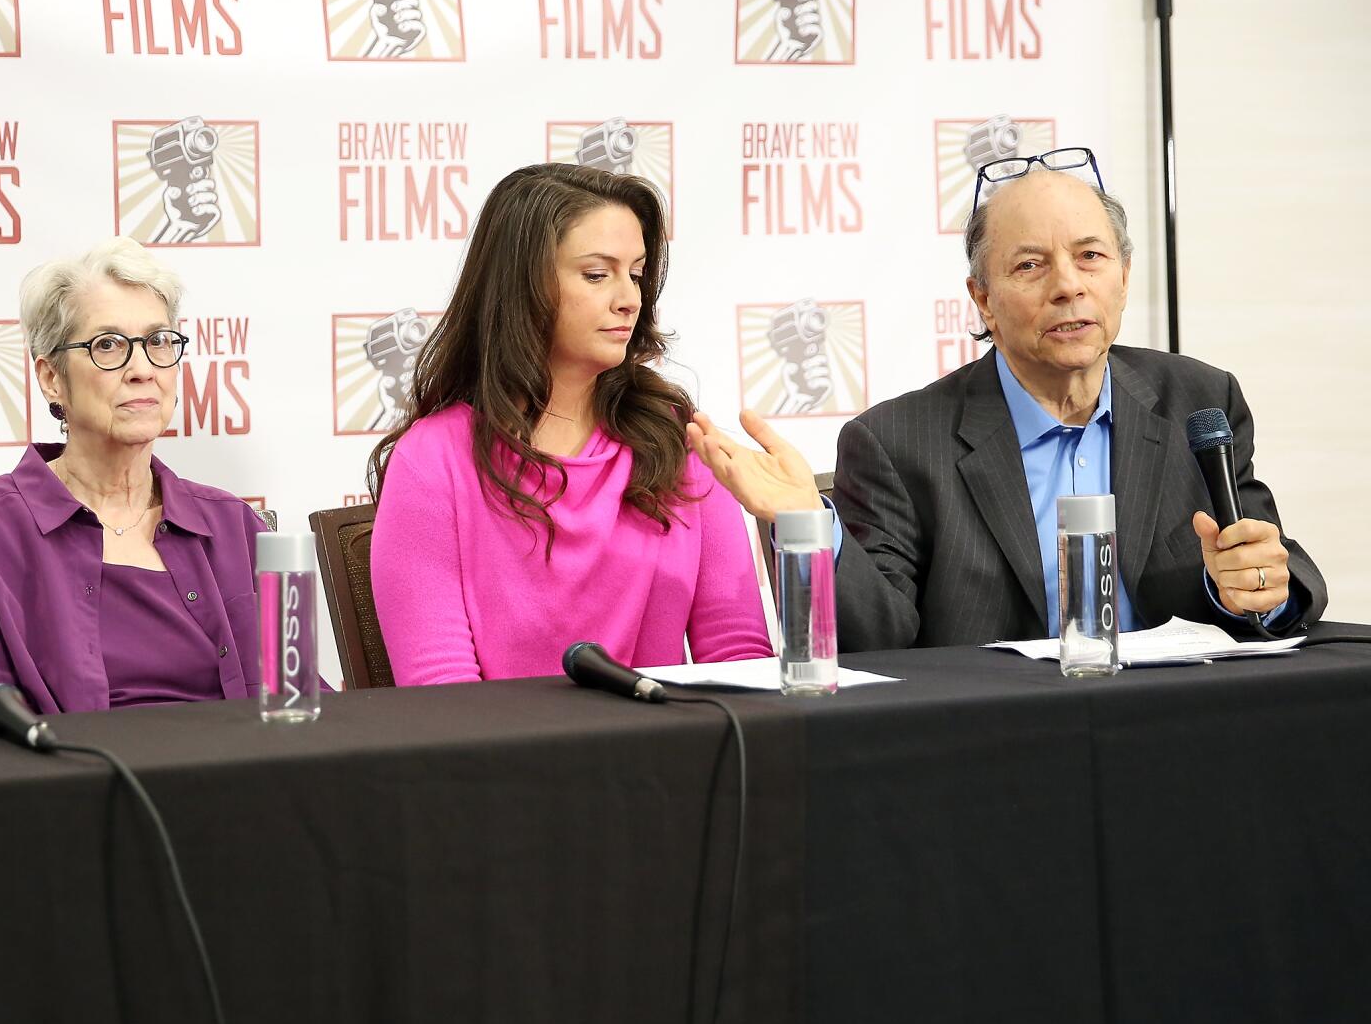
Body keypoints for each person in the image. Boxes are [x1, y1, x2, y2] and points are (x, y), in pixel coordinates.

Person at [692, 156, 1326, 649]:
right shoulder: (898, 442)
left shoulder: (1198, 401)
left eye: (1090, 257)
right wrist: (807, 522)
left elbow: (1276, 566)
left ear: (1124, 277)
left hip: (1170, 735)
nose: (1068, 286)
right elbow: (876, 644)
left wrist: (1256, 589)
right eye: (1030, 266)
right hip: (995, 754)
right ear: (983, 298)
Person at [369, 162, 772, 683]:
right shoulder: (433, 459)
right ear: (522, 286)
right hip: (503, 759)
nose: (629, 298)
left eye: (637, 273)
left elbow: (740, 661)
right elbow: (442, 697)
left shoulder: (681, 441)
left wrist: (797, 522)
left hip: (671, 755)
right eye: (597, 274)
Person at [0, 238, 267, 717]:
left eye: (158, 342)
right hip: (75, 785)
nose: (143, 370)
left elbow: (299, 697)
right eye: (108, 345)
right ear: (51, 378)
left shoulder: (233, 524)